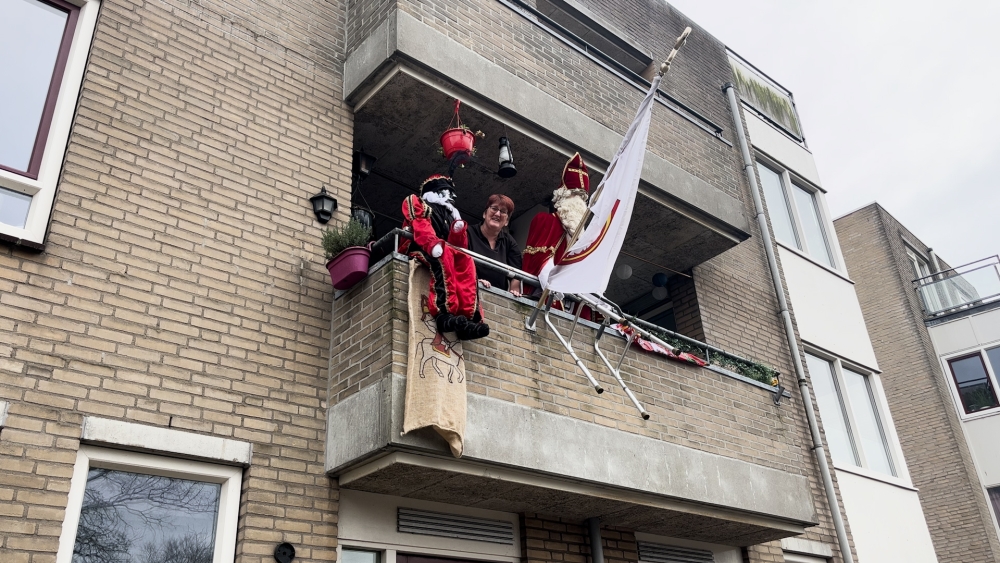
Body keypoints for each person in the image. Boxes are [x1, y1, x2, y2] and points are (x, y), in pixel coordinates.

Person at [399, 175, 489, 340]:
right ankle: (443, 314)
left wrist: (457, 231)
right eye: (449, 192)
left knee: (467, 260)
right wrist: (432, 244)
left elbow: (459, 246)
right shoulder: (419, 202)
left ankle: (468, 319)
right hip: (420, 246)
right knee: (445, 255)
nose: (453, 197)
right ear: (436, 191)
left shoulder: (451, 215)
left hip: (443, 249)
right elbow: (420, 224)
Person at [467, 194, 523, 297]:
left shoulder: (509, 242)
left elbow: (517, 273)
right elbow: (458, 263)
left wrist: (513, 293)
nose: (497, 214)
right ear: (484, 214)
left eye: (503, 211)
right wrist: (474, 281)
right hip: (469, 292)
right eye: (494, 208)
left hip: (497, 300)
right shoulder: (467, 232)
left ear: (506, 222)